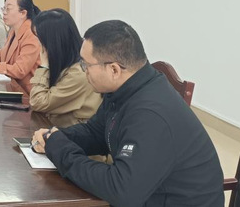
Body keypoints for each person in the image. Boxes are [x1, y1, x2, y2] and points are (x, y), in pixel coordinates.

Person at [31, 20, 224, 207]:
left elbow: (121, 191)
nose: (84, 71)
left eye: (86, 65)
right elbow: (97, 132)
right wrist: (55, 137)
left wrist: (62, 151)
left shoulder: (150, 114)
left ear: (114, 70)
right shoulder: (125, 89)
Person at [28, 9, 101, 128]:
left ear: (52, 42)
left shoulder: (79, 73)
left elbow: (38, 102)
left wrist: (44, 66)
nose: (39, 45)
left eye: (40, 39)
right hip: (55, 128)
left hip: (71, 135)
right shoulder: (65, 61)